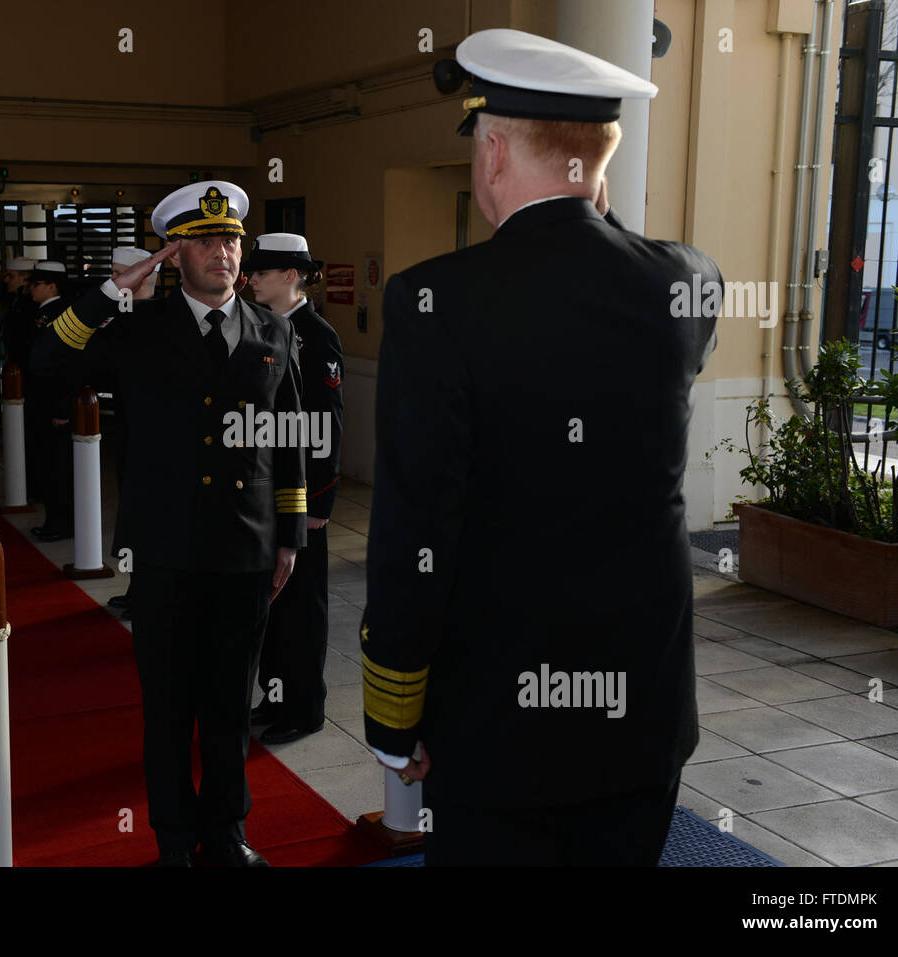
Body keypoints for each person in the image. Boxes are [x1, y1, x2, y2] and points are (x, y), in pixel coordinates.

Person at [360, 28, 721, 866]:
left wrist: (393, 710)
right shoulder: (690, 282)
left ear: (490, 152)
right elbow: (621, 272)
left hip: (500, 733)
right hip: (645, 718)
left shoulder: (432, 304)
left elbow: (417, 530)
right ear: (605, 155)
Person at [31, 181, 307, 867]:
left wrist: (290, 534)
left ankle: (227, 834)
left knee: (227, 706)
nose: (226, 252)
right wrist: (107, 292)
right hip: (167, 551)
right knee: (170, 709)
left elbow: (290, 436)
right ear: (175, 253)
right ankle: (176, 843)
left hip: (245, 549)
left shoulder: (272, 330)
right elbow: (47, 363)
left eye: (234, 239)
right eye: (209, 240)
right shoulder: (137, 330)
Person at [244, 233, 343, 744]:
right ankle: (275, 696)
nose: (251, 279)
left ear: (290, 276)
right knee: (272, 604)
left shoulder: (314, 335)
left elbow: (326, 427)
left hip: (303, 499)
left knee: (302, 608)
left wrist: (318, 502)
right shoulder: (262, 326)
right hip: (270, 494)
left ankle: (304, 709)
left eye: (261, 272)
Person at [104, 246, 161, 621]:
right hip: (129, 432)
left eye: (117, 273)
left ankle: (149, 593)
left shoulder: (156, 320)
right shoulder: (121, 316)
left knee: (151, 519)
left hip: (155, 441)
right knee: (134, 516)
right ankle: (138, 587)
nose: (111, 280)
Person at [26, 260, 76, 541]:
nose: (30, 289)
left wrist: (63, 406)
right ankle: (54, 519)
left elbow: (67, 365)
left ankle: (61, 522)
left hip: (54, 401)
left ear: (52, 285)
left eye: (36, 284)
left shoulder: (62, 313)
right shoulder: (44, 312)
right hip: (42, 399)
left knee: (57, 468)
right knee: (47, 464)